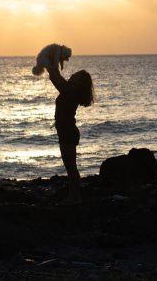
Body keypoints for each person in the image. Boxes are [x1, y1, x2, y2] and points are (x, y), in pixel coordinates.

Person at [42, 44, 93, 204]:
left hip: (68, 132)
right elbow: (54, 76)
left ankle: (75, 197)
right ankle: (74, 196)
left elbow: (54, 76)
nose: (73, 75)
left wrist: (54, 58)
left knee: (71, 167)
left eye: (76, 75)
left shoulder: (69, 91)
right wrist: (52, 61)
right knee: (71, 167)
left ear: (79, 82)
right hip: (68, 131)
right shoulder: (69, 90)